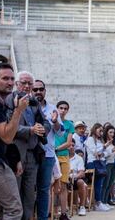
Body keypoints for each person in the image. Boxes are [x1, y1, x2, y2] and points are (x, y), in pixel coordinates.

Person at [4, 72, 52, 220]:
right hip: (16, 154)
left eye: (29, 83)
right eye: (23, 83)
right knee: (15, 194)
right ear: (17, 83)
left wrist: (43, 128)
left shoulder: (34, 102)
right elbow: (8, 128)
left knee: (30, 195)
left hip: (33, 154)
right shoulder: (10, 100)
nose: (27, 86)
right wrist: (30, 130)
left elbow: (46, 123)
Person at [0, 63, 29, 219]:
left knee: (3, 209)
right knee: (14, 209)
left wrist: (14, 159)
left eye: (12, 79)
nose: (9, 82)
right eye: (5, 78)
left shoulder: (1, 102)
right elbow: (7, 136)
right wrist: (19, 110)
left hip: (1, 159)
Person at [31, 79, 63, 220]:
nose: (38, 91)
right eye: (35, 89)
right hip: (30, 154)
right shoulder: (25, 106)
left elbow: (60, 132)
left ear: (45, 91)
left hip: (47, 154)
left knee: (44, 190)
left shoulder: (52, 109)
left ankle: (43, 218)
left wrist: (55, 121)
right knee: (28, 190)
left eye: (41, 89)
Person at [54, 101, 75, 220]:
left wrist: (56, 149)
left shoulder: (69, 124)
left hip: (63, 156)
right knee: (50, 185)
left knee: (63, 185)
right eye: (61, 108)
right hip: (51, 157)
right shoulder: (51, 121)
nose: (63, 110)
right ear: (57, 109)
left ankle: (63, 213)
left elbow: (68, 143)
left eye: (65, 108)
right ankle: (50, 212)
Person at [84, 123, 110, 211]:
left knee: (100, 183)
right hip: (92, 163)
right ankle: (97, 202)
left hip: (100, 162)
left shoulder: (101, 141)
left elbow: (106, 153)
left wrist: (102, 152)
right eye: (100, 130)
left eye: (102, 131)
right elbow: (94, 151)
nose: (101, 133)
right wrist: (104, 147)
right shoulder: (90, 139)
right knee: (97, 183)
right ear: (95, 130)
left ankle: (99, 202)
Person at [102, 125, 115, 206]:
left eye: (113, 132)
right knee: (106, 184)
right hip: (106, 164)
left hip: (113, 164)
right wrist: (111, 150)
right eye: (110, 132)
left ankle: (106, 201)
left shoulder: (113, 142)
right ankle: (102, 202)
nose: (112, 134)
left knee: (110, 184)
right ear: (106, 132)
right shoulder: (103, 142)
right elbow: (102, 154)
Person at [69, 140, 87, 216]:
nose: (71, 147)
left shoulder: (79, 158)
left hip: (75, 179)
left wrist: (74, 176)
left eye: (73, 145)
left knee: (81, 182)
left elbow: (81, 173)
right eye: (69, 145)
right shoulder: (62, 157)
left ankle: (82, 207)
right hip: (63, 179)